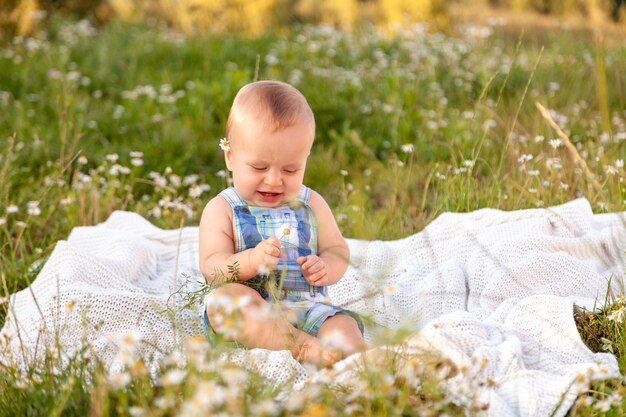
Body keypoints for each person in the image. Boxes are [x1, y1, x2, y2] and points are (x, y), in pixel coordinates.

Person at [199, 80, 366, 366]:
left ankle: (364, 361)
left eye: (291, 169)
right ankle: (299, 345)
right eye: (259, 167)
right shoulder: (222, 209)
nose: (274, 180)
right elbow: (212, 267)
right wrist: (250, 260)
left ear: (305, 160)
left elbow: (337, 248)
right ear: (230, 156)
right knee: (224, 303)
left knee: (343, 327)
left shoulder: (312, 204)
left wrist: (326, 267)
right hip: (253, 309)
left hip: (308, 308)